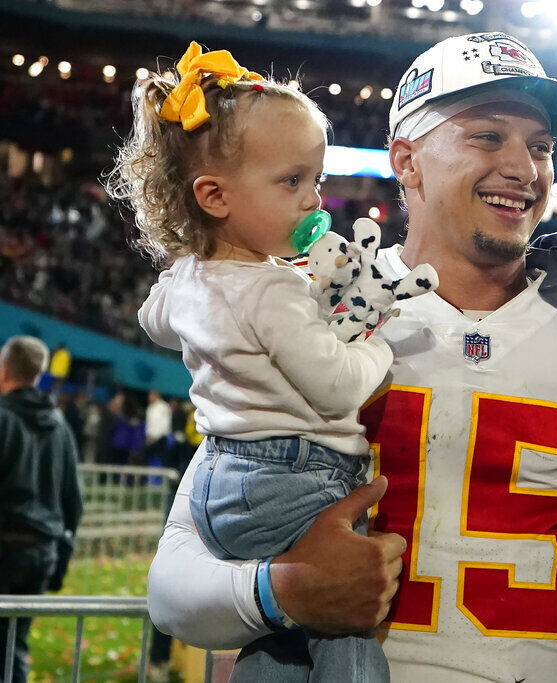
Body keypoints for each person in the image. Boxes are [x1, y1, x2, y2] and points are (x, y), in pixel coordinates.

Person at [147, 32, 557, 681]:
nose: (524, 167)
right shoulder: (307, 310)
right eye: (488, 136)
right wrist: (286, 591)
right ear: (406, 159)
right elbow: (174, 587)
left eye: (541, 146)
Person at [107, 42, 435, 681]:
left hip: (221, 482)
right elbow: (337, 386)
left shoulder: (189, 280)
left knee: (283, 644)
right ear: (215, 195)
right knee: (345, 624)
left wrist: (205, 298)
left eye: (315, 179)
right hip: (295, 477)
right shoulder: (276, 289)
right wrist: (377, 343)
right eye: (292, 182)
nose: (314, 199)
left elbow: (155, 323)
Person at [0, 336, 83, 683]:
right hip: (41, 552)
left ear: (4, 370)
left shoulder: (3, 418)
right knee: (13, 646)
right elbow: (73, 503)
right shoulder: (60, 426)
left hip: (5, 548)